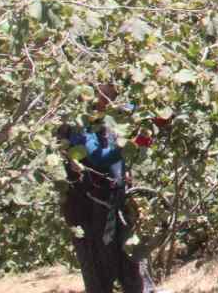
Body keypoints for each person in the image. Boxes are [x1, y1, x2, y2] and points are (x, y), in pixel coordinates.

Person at [58, 83, 157, 293]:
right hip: (90, 210)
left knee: (132, 261)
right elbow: (99, 157)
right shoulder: (79, 124)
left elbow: (138, 114)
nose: (115, 95)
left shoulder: (113, 116)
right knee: (99, 270)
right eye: (109, 91)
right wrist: (135, 142)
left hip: (117, 201)